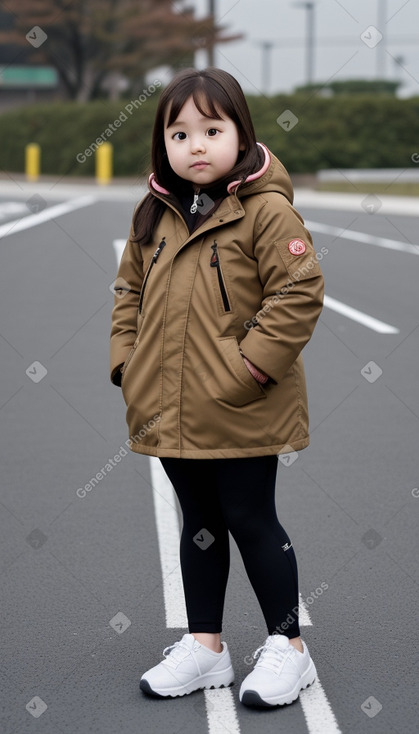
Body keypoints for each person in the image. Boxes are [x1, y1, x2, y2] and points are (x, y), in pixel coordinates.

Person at [110, 67, 324, 708]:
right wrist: (128, 361)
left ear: (241, 134)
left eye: (211, 129)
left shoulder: (265, 211)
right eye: (179, 133)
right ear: (163, 145)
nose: (195, 145)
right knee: (198, 523)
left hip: (244, 404)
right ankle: (206, 649)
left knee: (252, 519)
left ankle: (289, 650)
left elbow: (300, 291)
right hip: (167, 406)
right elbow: (127, 292)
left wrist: (248, 369)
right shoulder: (155, 214)